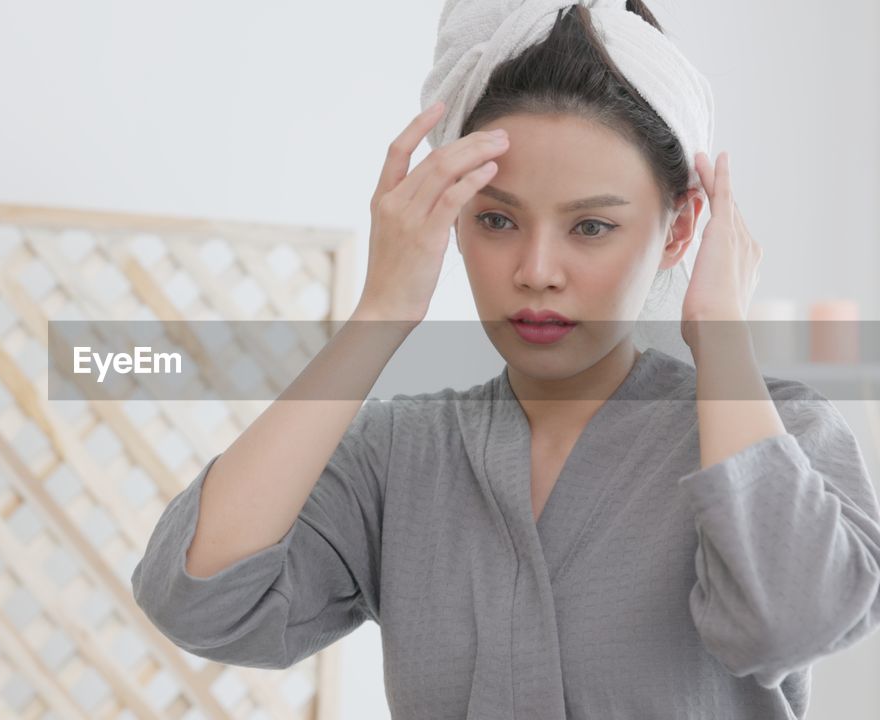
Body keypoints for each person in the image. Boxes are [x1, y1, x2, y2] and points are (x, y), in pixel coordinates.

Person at [130, 2, 880, 718]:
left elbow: (793, 623)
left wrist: (719, 334)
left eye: (590, 226)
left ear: (680, 230)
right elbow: (199, 599)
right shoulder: (397, 457)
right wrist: (379, 316)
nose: (536, 269)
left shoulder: (776, 431)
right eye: (496, 220)